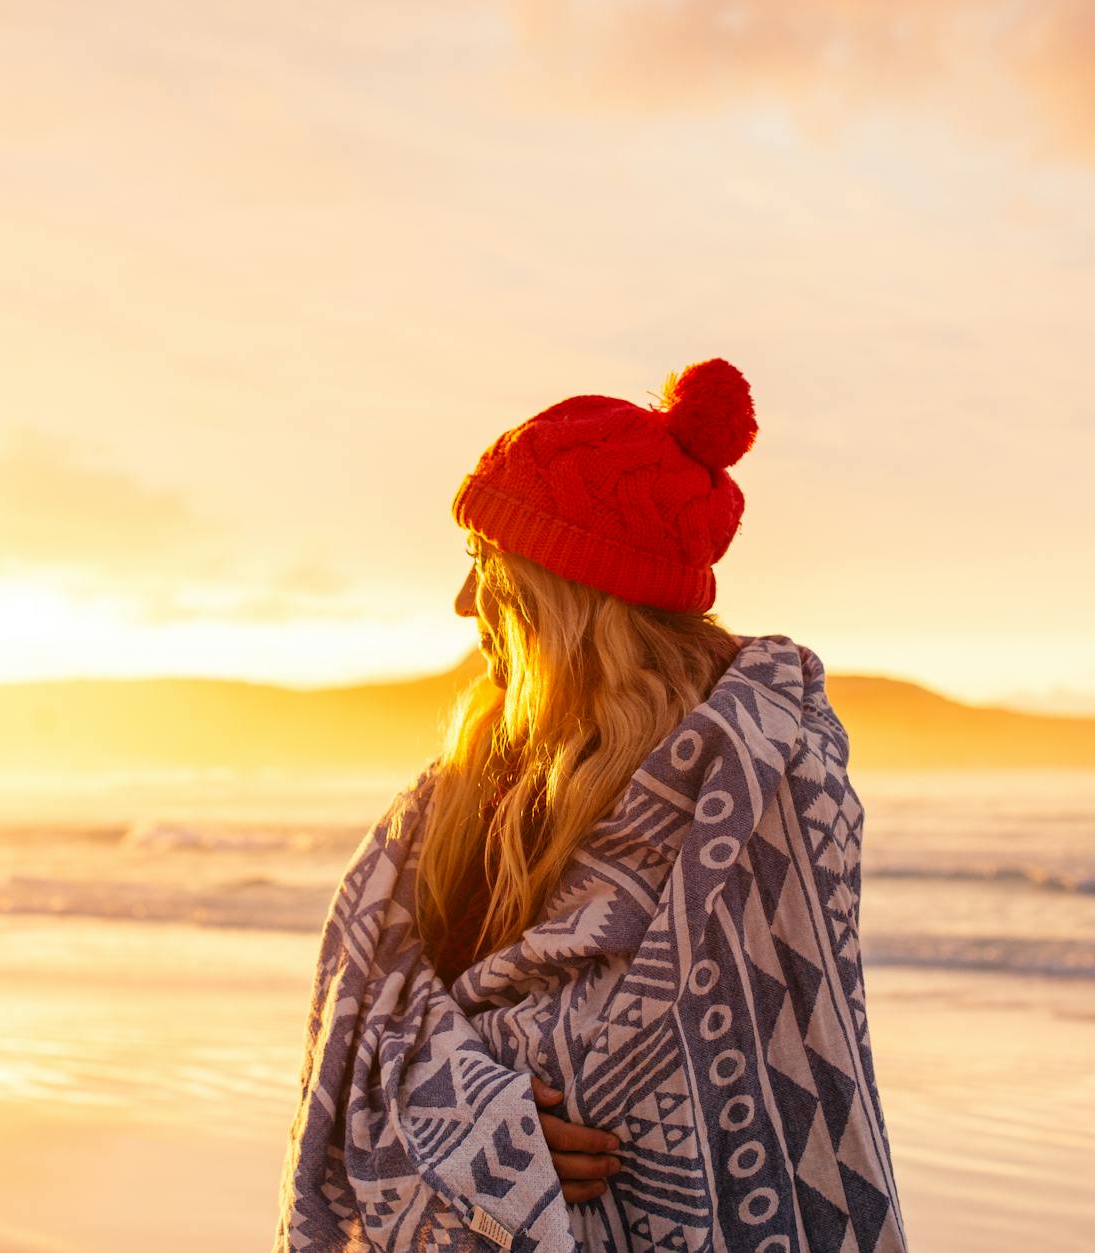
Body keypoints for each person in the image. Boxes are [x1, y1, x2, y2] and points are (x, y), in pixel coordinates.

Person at [275, 358, 905, 1251]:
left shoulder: (761, 782)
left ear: (566, 590)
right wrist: (469, 1109)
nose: (463, 604)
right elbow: (383, 994)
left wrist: (522, 1100)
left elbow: (726, 1071)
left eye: (486, 567)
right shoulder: (465, 789)